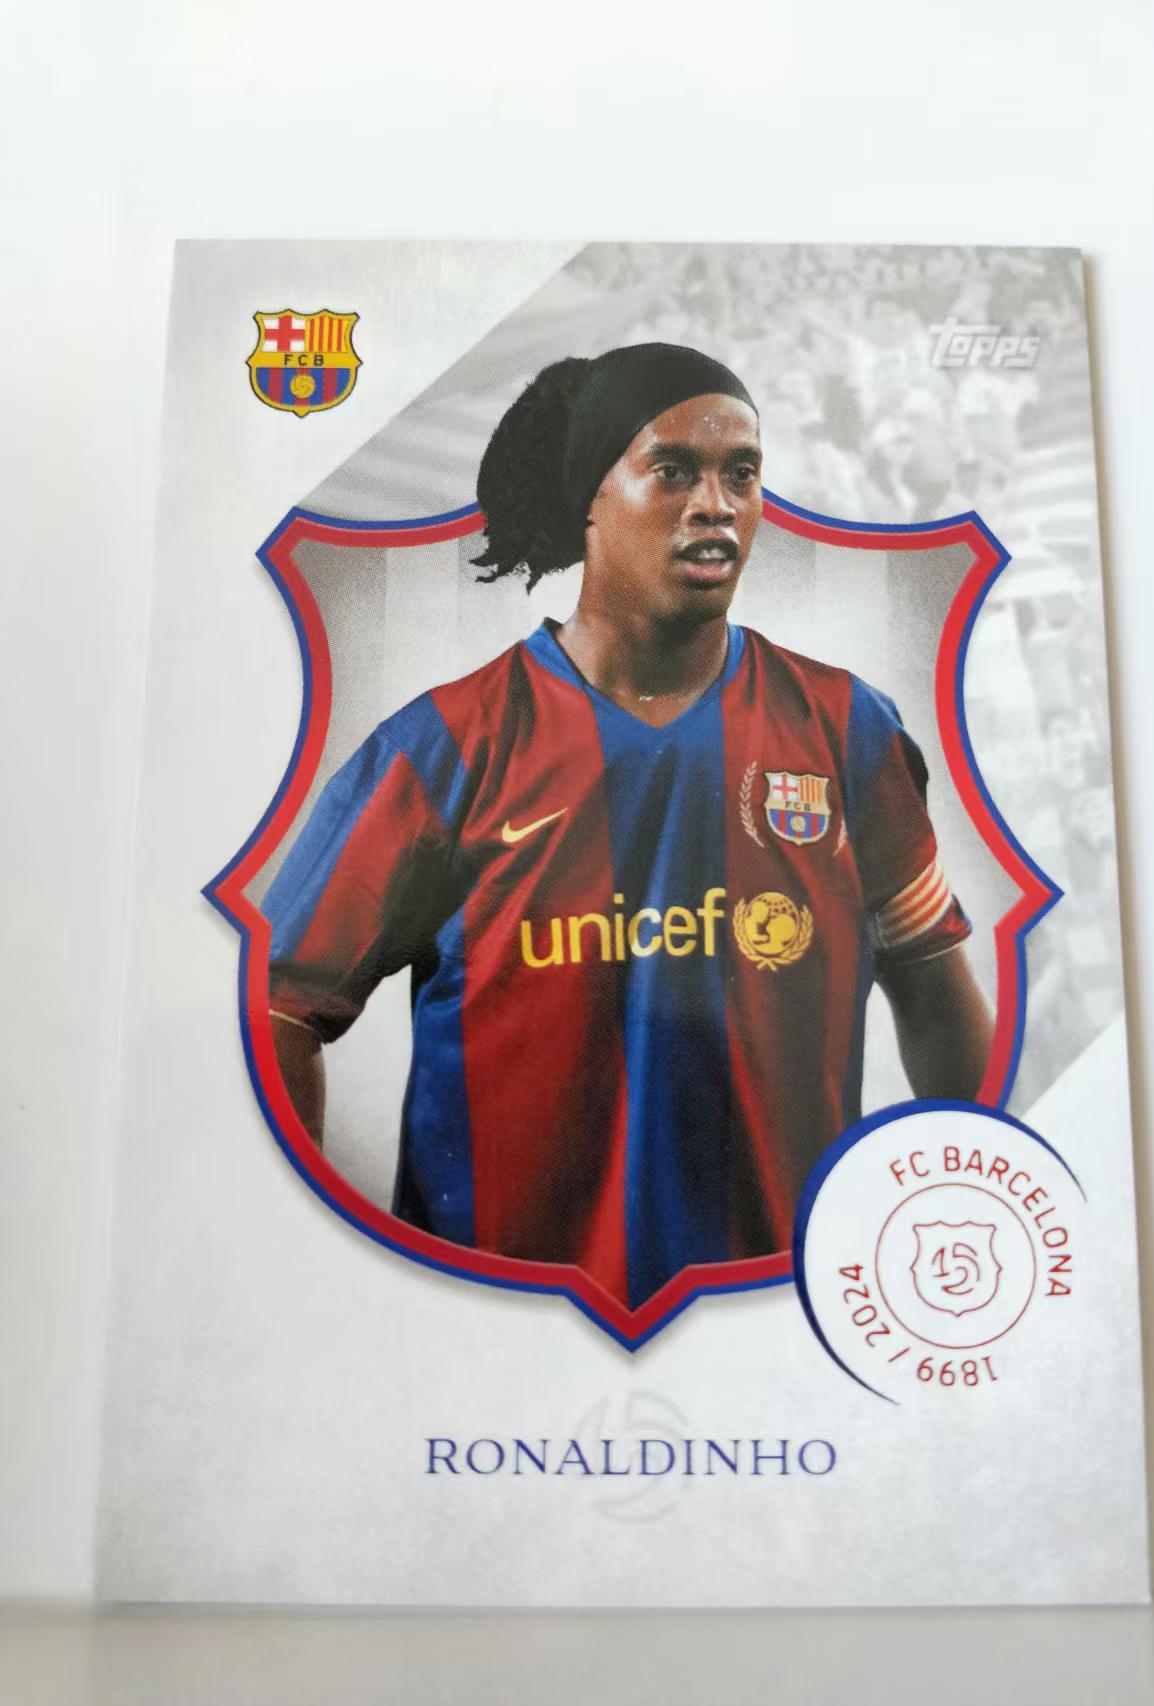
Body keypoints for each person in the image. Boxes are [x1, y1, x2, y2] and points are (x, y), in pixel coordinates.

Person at [264, 343, 992, 1313]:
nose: (715, 504)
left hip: (780, 1313)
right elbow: (277, 1010)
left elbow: (934, 996)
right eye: (674, 470)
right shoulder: (443, 746)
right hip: (493, 1319)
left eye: (741, 473)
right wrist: (321, 1259)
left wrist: (959, 1219)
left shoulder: (845, 727)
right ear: (588, 496)